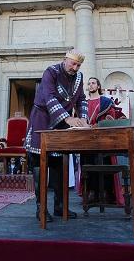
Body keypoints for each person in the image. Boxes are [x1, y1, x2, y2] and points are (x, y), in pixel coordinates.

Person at [25, 49, 89, 222]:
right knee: (40, 166)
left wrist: (83, 119)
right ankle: (41, 209)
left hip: (61, 124)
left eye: (78, 65)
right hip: (43, 119)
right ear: (65, 60)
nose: (75, 68)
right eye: (73, 63)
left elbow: (82, 99)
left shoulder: (79, 77)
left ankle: (60, 206)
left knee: (60, 164)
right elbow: (49, 97)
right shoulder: (51, 72)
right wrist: (67, 118)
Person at [80, 77, 123, 205]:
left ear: (98, 86)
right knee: (88, 165)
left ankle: (106, 192)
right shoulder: (83, 103)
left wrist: (99, 125)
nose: (91, 85)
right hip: (87, 140)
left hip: (103, 139)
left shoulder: (105, 102)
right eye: (89, 83)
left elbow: (111, 118)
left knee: (105, 165)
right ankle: (91, 192)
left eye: (93, 83)